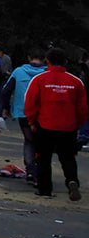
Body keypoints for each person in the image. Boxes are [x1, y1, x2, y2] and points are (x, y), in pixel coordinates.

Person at [24, 46, 88, 201]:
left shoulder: (39, 79)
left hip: (45, 125)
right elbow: (83, 108)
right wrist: (77, 124)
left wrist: (32, 121)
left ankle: (44, 189)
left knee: (43, 158)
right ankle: (72, 180)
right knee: (68, 157)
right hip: (68, 126)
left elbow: (30, 103)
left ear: (47, 61)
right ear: (65, 62)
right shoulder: (75, 82)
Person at [1, 48, 47, 183]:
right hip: (42, 113)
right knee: (41, 142)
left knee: (29, 140)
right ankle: (40, 170)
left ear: (28, 57)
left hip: (23, 112)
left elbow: (6, 91)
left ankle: (31, 170)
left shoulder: (18, 71)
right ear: (44, 59)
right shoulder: (46, 73)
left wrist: (6, 108)